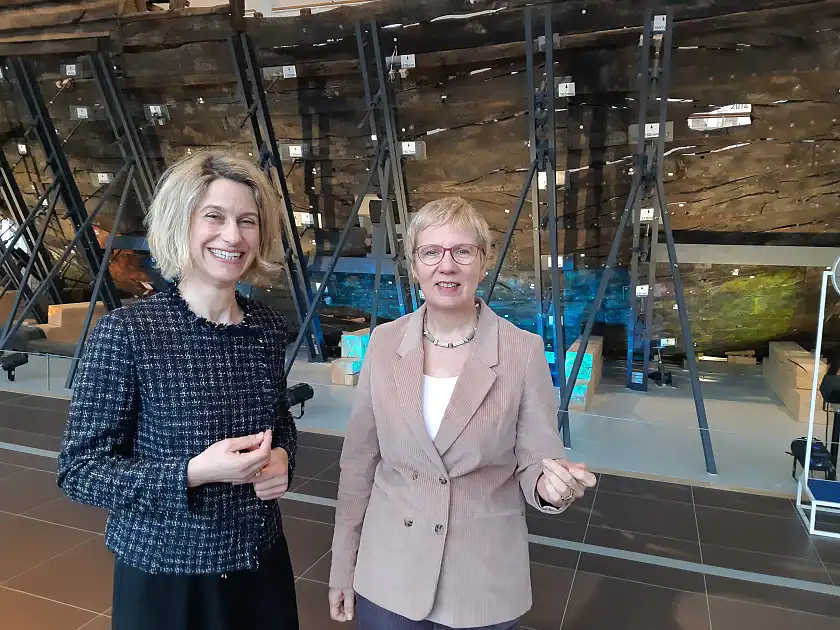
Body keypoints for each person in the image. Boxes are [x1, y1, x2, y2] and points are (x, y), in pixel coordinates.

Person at [328, 196, 598, 629]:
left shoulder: (521, 351)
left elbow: (536, 462)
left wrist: (552, 486)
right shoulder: (384, 344)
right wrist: (343, 565)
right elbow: (359, 463)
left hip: (480, 578)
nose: (446, 265)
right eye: (431, 252)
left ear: (483, 261)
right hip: (389, 573)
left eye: (462, 251)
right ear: (414, 266)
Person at [57, 151, 299, 630]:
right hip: (166, 574)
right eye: (214, 216)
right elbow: (80, 471)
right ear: (180, 223)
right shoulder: (129, 332)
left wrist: (285, 459)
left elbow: (281, 426)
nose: (233, 235)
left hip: (260, 560)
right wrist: (192, 473)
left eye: (247, 221)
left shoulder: (268, 328)